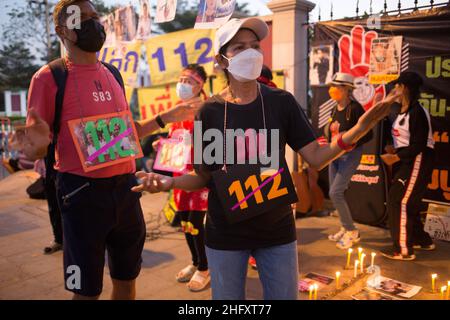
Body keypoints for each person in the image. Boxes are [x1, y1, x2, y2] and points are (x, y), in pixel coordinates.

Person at [132, 17, 400, 300]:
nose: (250, 53)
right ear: (221, 60)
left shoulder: (281, 102)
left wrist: (359, 129)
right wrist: (166, 183)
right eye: (238, 48)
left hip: (277, 230)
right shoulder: (209, 112)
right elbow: (203, 176)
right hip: (225, 232)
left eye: (255, 46)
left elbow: (317, 157)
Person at [9, 0, 203, 300]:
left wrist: (167, 117)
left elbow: (124, 134)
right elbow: (36, 143)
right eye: (81, 19)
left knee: (126, 280)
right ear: (63, 31)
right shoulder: (49, 78)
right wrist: (34, 147)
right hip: (81, 195)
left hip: (127, 190)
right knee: (85, 291)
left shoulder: (112, 73)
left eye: (95, 16)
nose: (93, 23)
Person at [380, 71, 435, 261]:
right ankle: (422, 240)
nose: (394, 89)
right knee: (408, 202)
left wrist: (396, 157)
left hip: (417, 160)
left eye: (397, 86)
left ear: (404, 88)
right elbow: (406, 140)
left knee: (399, 201)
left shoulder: (417, 112)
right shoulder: (402, 111)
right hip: (407, 160)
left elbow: (419, 144)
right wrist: (394, 149)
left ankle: (403, 250)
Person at [167, 64, 210, 292]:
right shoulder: (177, 108)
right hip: (178, 175)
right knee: (184, 222)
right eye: (181, 78)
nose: (183, 84)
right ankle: (195, 262)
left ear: (200, 85)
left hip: (200, 174)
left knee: (196, 223)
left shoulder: (207, 108)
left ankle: (205, 267)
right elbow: (173, 139)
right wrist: (162, 145)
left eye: (189, 81)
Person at [325, 72, 373, 250]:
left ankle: (352, 231)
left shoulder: (356, 109)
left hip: (350, 156)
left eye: (335, 87)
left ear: (346, 89)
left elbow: (368, 134)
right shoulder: (333, 108)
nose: (331, 90)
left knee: (335, 193)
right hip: (334, 155)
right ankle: (344, 227)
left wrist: (353, 143)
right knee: (336, 192)